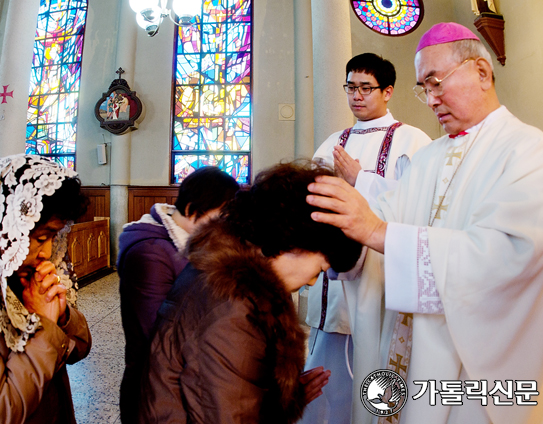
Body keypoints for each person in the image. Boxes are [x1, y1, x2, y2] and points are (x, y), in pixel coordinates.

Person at [307, 22, 543, 424]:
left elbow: (510, 257)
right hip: (412, 348)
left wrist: (377, 232)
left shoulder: (529, 152)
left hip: (471, 365)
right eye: (424, 88)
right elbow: (379, 223)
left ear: (482, 72)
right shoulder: (429, 158)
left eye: (437, 83)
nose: (430, 99)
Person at [139, 160, 363, 424]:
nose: (313, 282)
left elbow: (225, 395)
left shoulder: (229, 280)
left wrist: (284, 397)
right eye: (319, 269)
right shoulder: (233, 310)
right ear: (293, 243)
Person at [302, 53, 431, 423]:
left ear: (387, 91)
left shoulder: (412, 140)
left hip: (381, 275)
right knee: (328, 365)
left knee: (375, 360)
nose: (356, 96)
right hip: (334, 275)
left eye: (366, 88)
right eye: (350, 87)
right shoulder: (333, 141)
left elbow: (417, 207)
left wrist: (362, 179)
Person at [117, 166, 239, 424]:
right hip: (155, 389)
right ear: (193, 209)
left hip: (180, 382)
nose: (224, 229)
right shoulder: (150, 253)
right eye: (220, 218)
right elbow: (156, 337)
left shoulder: (189, 246)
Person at [0, 154, 92, 423]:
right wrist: (45, 328)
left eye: (54, 236)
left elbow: (78, 350)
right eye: (41, 237)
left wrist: (63, 317)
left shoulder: (24, 276)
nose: (48, 251)